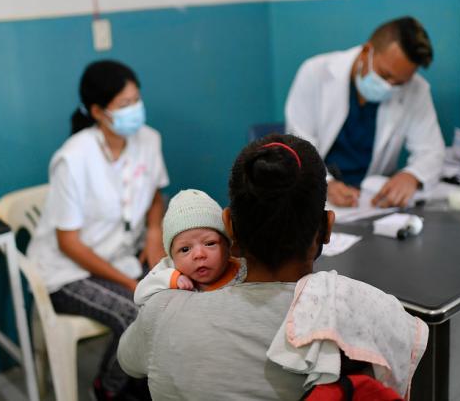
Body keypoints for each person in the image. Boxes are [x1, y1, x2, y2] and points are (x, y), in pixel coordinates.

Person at [117, 135, 426, 400]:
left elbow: (128, 361)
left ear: (229, 228)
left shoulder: (161, 311)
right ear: (326, 228)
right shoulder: (364, 319)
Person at [27, 59, 168, 399]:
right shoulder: (73, 159)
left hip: (122, 257)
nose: (134, 109)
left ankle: (148, 383)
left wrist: (153, 234)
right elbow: (68, 243)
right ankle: (108, 389)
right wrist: (129, 283)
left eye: (137, 99)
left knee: (173, 294)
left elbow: (154, 193)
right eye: (124, 104)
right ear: (97, 111)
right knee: (134, 309)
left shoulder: (148, 140)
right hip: (68, 270)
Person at [285, 16, 445, 208]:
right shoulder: (316, 73)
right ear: (366, 52)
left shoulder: (416, 89)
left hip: (371, 201)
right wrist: (326, 183)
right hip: (318, 194)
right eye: (385, 75)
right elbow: (298, 144)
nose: (389, 87)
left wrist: (412, 175)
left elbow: (432, 151)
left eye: (400, 83)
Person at [133, 188, 246, 305]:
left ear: (228, 246)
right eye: (185, 249)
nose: (199, 254)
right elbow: (139, 296)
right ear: (172, 256)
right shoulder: (171, 270)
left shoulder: (243, 269)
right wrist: (171, 279)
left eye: (210, 243)